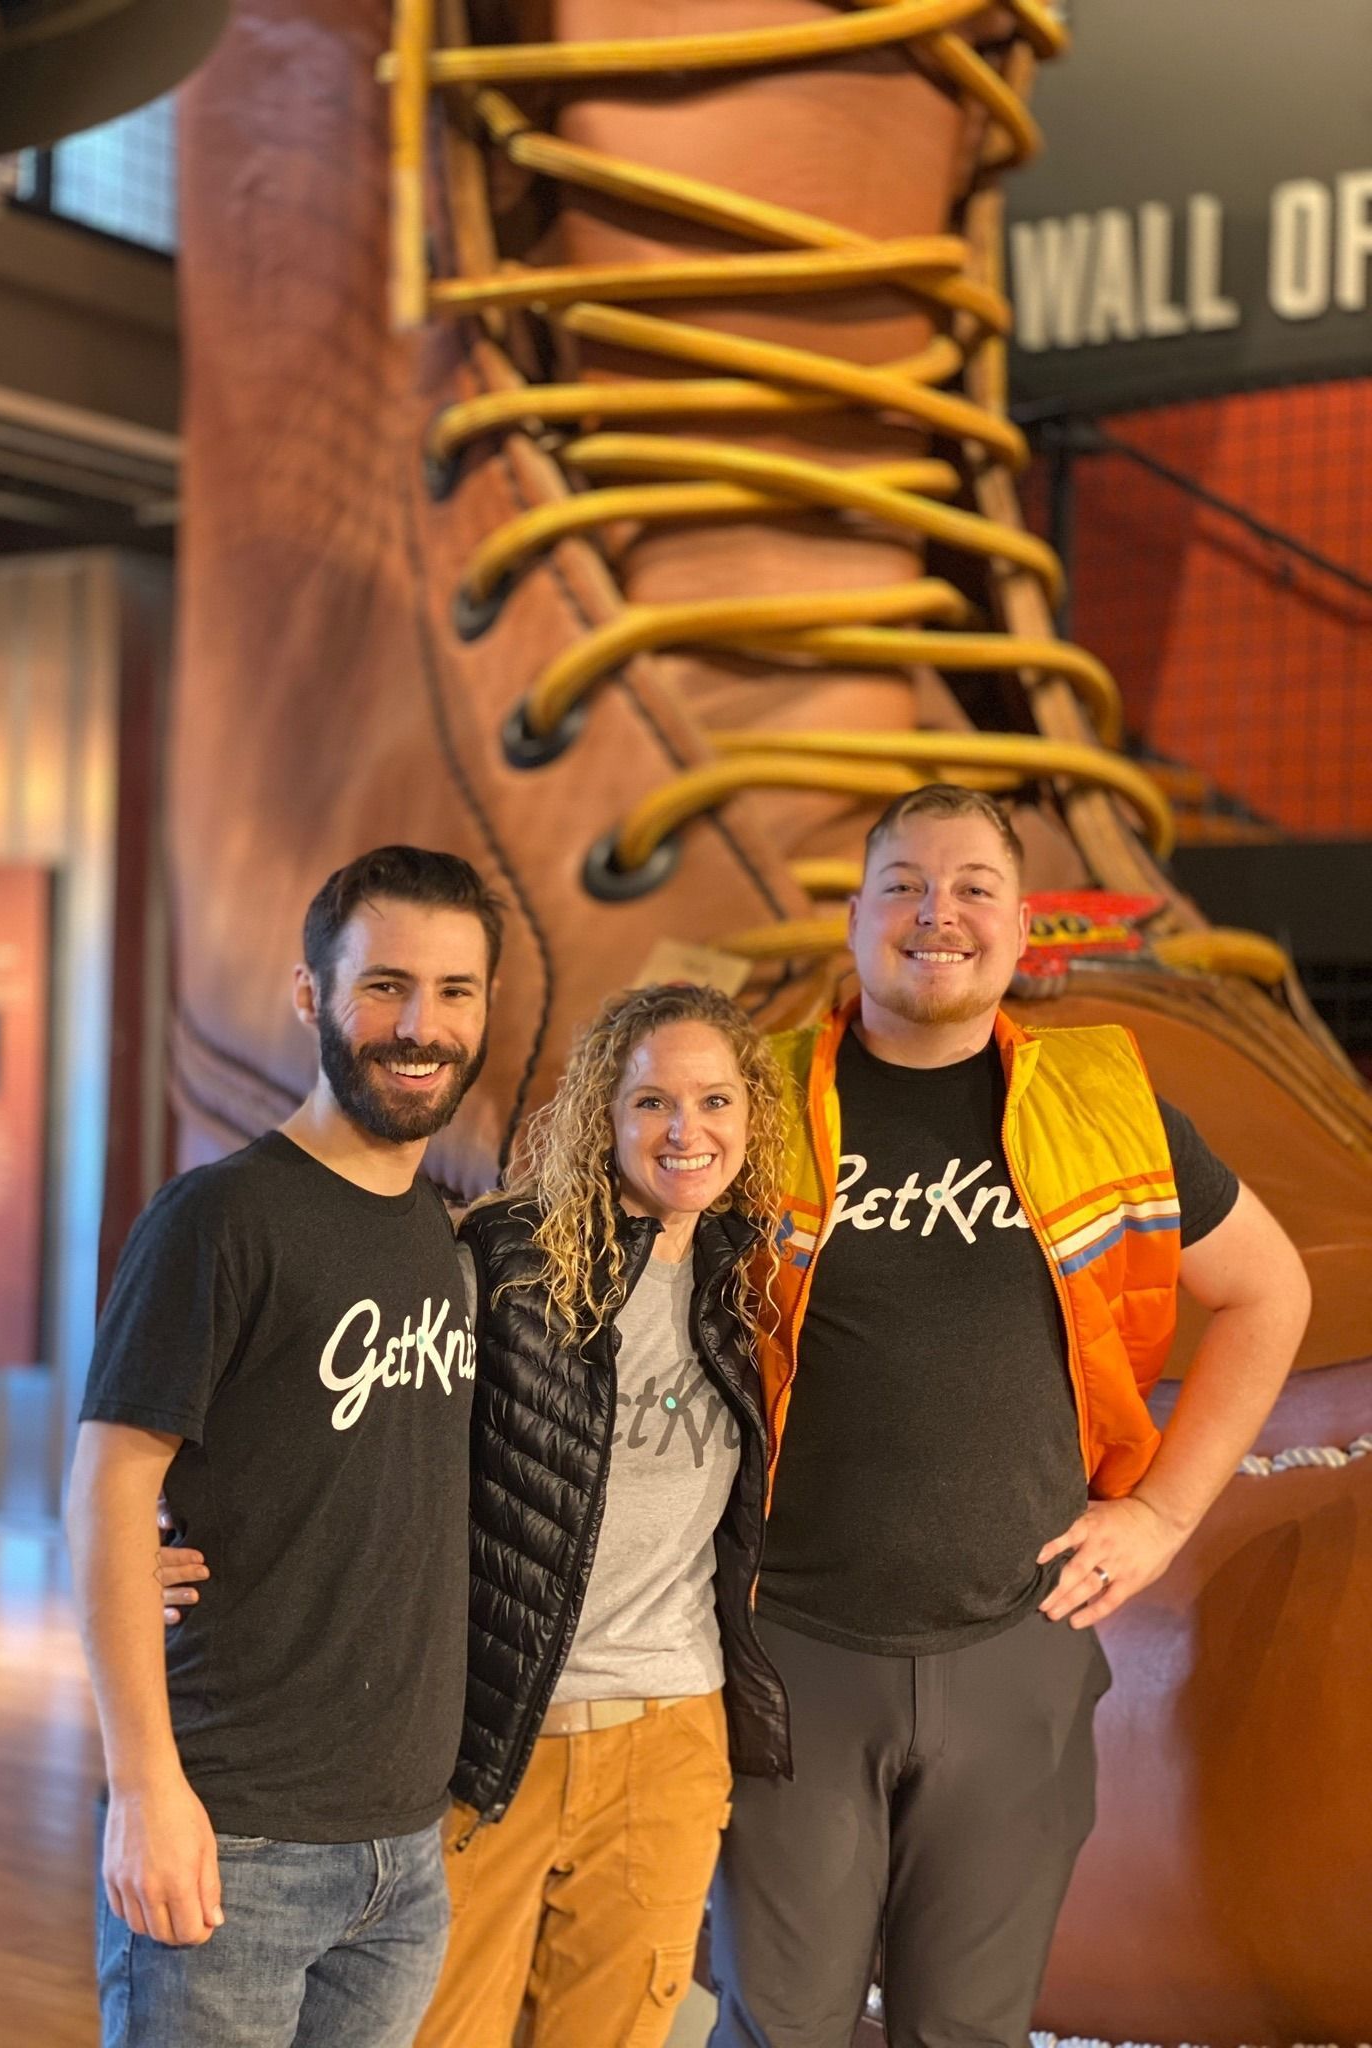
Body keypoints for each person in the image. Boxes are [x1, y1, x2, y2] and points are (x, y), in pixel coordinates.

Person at [707, 784, 1313, 2048]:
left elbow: (1268, 1288)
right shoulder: (741, 1104)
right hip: (788, 1650)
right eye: (906, 886)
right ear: (857, 919)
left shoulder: (1108, 1102)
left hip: (1016, 1649)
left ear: (1024, 924)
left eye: (974, 885)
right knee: (780, 2029)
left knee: (970, 2033)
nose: (940, 913)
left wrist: (1160, 1511)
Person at [162, 981, 796, 2047]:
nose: (686, 1130)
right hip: (490, 1740)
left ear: (751, 1117)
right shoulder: (495, 1260)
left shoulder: (754, 1282)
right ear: (603, 1110)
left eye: (716, 1101)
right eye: (651, 1102)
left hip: (669, 1745)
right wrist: (153, 1520)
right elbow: (327, 1416)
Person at [66, 845, 504, 2048]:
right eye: (385, 985)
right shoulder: (219, 1216)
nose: (421, 1025)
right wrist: (145, 1786)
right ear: (312, 995)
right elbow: (109, 1488)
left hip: (401, 1850)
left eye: (456, 991)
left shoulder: (439, 1233)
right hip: (233, 1830)